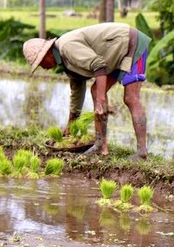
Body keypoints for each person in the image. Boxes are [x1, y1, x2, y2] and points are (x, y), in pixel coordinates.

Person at [23, 22, 151, 160]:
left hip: (130, 44)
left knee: (130, 98)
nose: (43, 67)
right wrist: (71, 124)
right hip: (114, 53)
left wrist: (101, 100)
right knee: (96, 90)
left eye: (40, 63)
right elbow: (77, 91)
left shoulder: (67, 47)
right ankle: (100, 145)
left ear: (46, 54)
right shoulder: (66, 61)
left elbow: (98, 66)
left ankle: (141, 152)